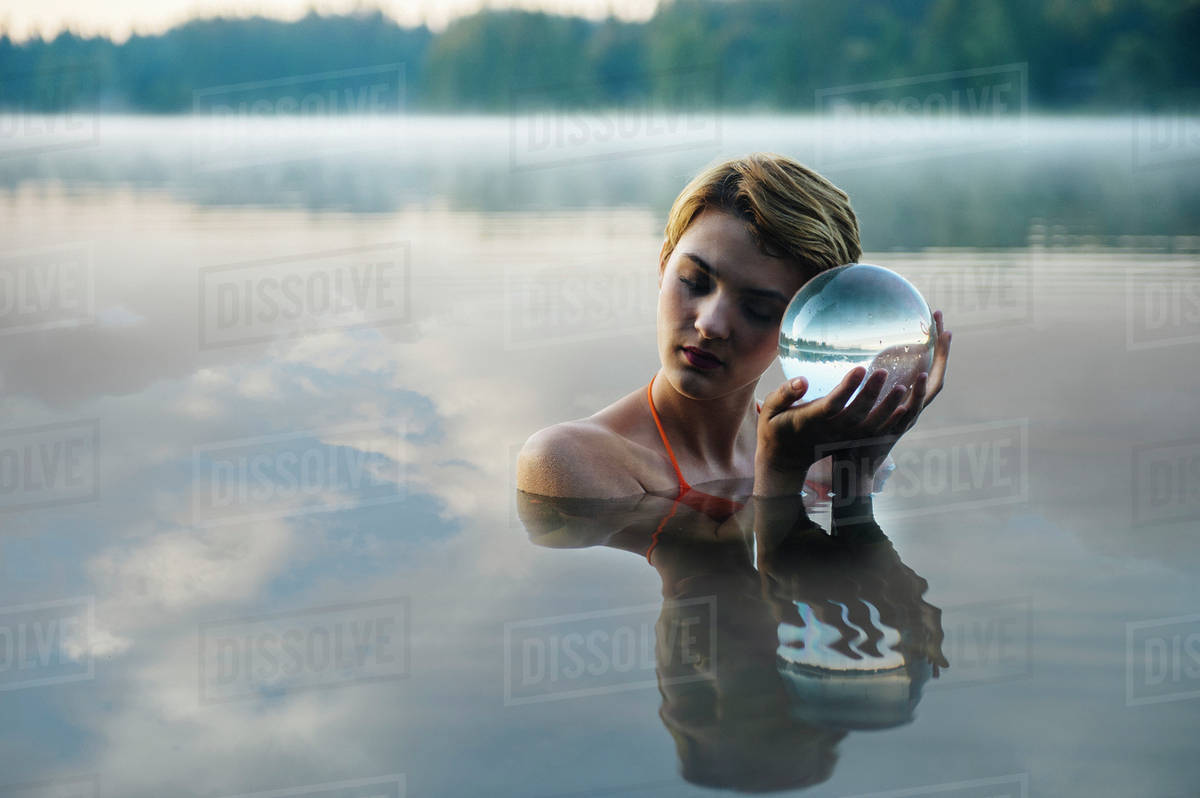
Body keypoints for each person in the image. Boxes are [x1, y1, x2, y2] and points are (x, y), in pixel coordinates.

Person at [517, 153, 951, 506]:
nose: (710, 325)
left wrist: (857, 476)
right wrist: (780, 474)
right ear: (664, 264)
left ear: (810, 324)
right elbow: (712, 601)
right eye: (695, 282)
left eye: (759, 309)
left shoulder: (827, 460)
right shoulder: (574, 461)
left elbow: (853, 598)